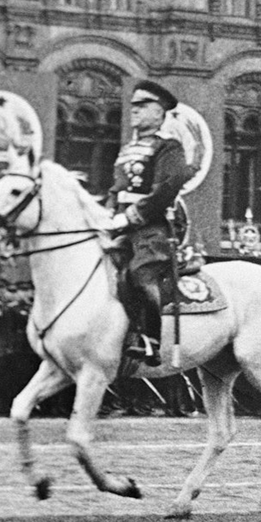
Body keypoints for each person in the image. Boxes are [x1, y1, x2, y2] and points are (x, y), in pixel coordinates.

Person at [99, 80, 193, 366]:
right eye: (133, 106)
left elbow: (166, 188)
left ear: (159, 112)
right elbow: (117, 188)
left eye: (142, 106)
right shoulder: (128, 149)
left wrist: (131, 216)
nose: (134, 110)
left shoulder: (169, 147)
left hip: (152, 228)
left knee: (141, 273)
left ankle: (150, 340)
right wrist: (107, 213)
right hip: (121, 226)